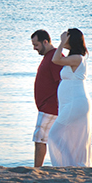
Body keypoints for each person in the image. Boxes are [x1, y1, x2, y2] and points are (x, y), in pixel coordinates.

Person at [48, 28, 92, 167]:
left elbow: (55, 60)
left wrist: (61, 43)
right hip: (71, 102)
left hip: (75, 102)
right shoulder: (73, 58)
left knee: (54, 134)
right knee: (70, 136)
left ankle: (71, 164)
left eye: (67, 37)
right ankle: (72, 164)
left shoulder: (77, 58)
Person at [30, 29, 64, 168]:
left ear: (45, 42)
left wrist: (58, 104)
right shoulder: (49, 56)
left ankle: (37, 169)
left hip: (50, 107)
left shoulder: (54, 57)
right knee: (45, 139)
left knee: (40, 139)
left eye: (36, 44)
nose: (34, 48)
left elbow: (61, 82)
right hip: (46, 106)